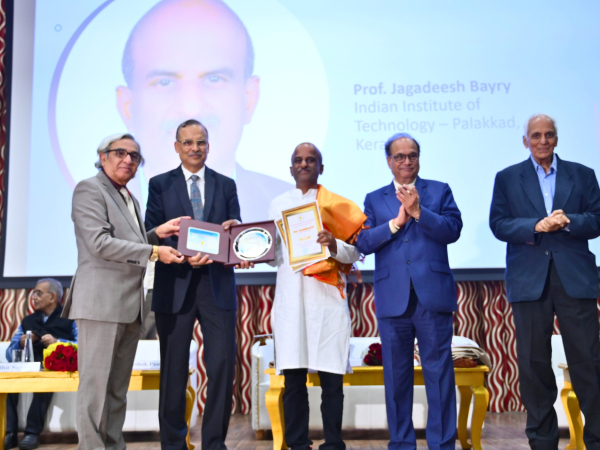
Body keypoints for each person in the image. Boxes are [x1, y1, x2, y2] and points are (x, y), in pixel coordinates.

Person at [63, 133, 186, 450]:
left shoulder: (128, 197)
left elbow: (129, 243)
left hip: (129, 305)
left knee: (117, 389)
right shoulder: (89, 189)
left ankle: (113, 445)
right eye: (120, 153)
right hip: (100, 304)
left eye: (135, 156)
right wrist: (154, 251)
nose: (128, 160)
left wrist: (155, 234)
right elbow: (100, 243)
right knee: (95, 388)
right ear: (102, 156)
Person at [116, 0, 292, 221]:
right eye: (164, 83)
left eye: (214, 79)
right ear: (127, 107)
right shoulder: (101, 206)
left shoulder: (291, 206)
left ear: (248, 99)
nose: (191, 108)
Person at [489, 114, 600, 450]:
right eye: (535, 135)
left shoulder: (582, 174)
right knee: (533, 365)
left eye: (548, 135)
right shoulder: (508, 177)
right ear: (526, 141)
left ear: (556, 139)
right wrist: (536, 226)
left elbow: (596, 220)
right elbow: (499, 224)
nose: (542, 141)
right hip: (529, 280)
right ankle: (542, 441)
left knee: (588, 363)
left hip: (575, 279)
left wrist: (568, 221)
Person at [145, 119, 251, 450]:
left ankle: (215, 443)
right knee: (173, 370)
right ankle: (173, 444)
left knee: (221, 367)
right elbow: (153, 231)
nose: (195, 148)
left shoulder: (226, 184)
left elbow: (234, 228)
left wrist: (237, 232)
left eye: (201, 142)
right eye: (188, 142)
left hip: (217, 286)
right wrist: (182, 256)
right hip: (174, 284)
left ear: (208, 145)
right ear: (177, 147)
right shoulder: (159, 184)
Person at [355, 132, 462, 450]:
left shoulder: (439, 190)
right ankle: (401, 443)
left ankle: (442, 445)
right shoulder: (375, 198)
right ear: (389, 161)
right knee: (396, 378)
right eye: (399, 156)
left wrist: (419, 212)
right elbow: (363, 242)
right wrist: (396, 223)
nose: (406, 161)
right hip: (393, 297)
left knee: (439, 375)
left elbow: (453, 230)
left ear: (419, 158)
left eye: (412, 155)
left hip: (433, 295)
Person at [268, 143, 365, 450]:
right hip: (291, 300)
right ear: (291, 168)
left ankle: (333, 442)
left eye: (311, 160)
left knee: (331, 380)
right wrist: (249, 247)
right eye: (298, 160)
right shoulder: (277, 204)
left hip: (326, 299)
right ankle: (297, 443)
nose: (304, 164)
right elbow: (273, 256)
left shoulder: (336, 205)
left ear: (321, 167)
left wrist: (333, 243)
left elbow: (355, 253)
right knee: (293, 380)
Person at [4, 278, 77, 450]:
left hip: (55, 367)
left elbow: (82, 345)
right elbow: (9, 353)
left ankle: (32, 433)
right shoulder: (28, 321)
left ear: (52, 297)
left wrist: (58, 342)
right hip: (28, 366)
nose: (33, 297)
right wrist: (20, 343)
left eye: (38, 293)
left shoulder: (70, 317)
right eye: (33, 293)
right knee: (7, 382)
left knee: (44, 380)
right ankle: (9, 432)